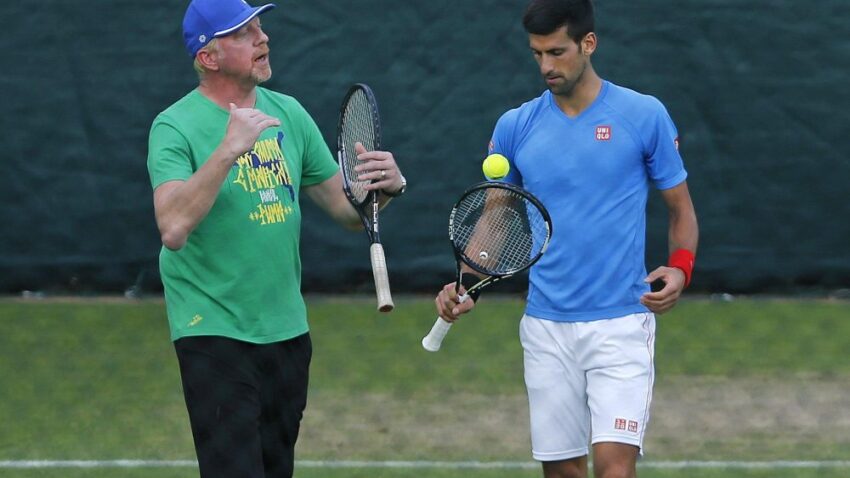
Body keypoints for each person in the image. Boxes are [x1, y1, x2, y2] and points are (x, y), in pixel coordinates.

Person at [434, 1, 698, 477]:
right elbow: (495, 219)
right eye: (537, 54)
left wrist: (681, 268)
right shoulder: (515, 126)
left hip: (621, 323)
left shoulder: (643, 115)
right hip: (545, 328)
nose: (546, 66)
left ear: (588, 44)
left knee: (614, 470)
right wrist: (466, 283)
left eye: (557, 52)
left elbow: (681, 210)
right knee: (561, 472)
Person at [146, 0, 406, 476]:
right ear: (208, 57)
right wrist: (228, 149)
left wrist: (386, 188)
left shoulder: (289, 113)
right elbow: (173, 228)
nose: (262, 38)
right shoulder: (174, 126)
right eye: (243, 33)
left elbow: (346, 210)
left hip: (287, 333)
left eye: (259, 27)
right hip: (213, 331)